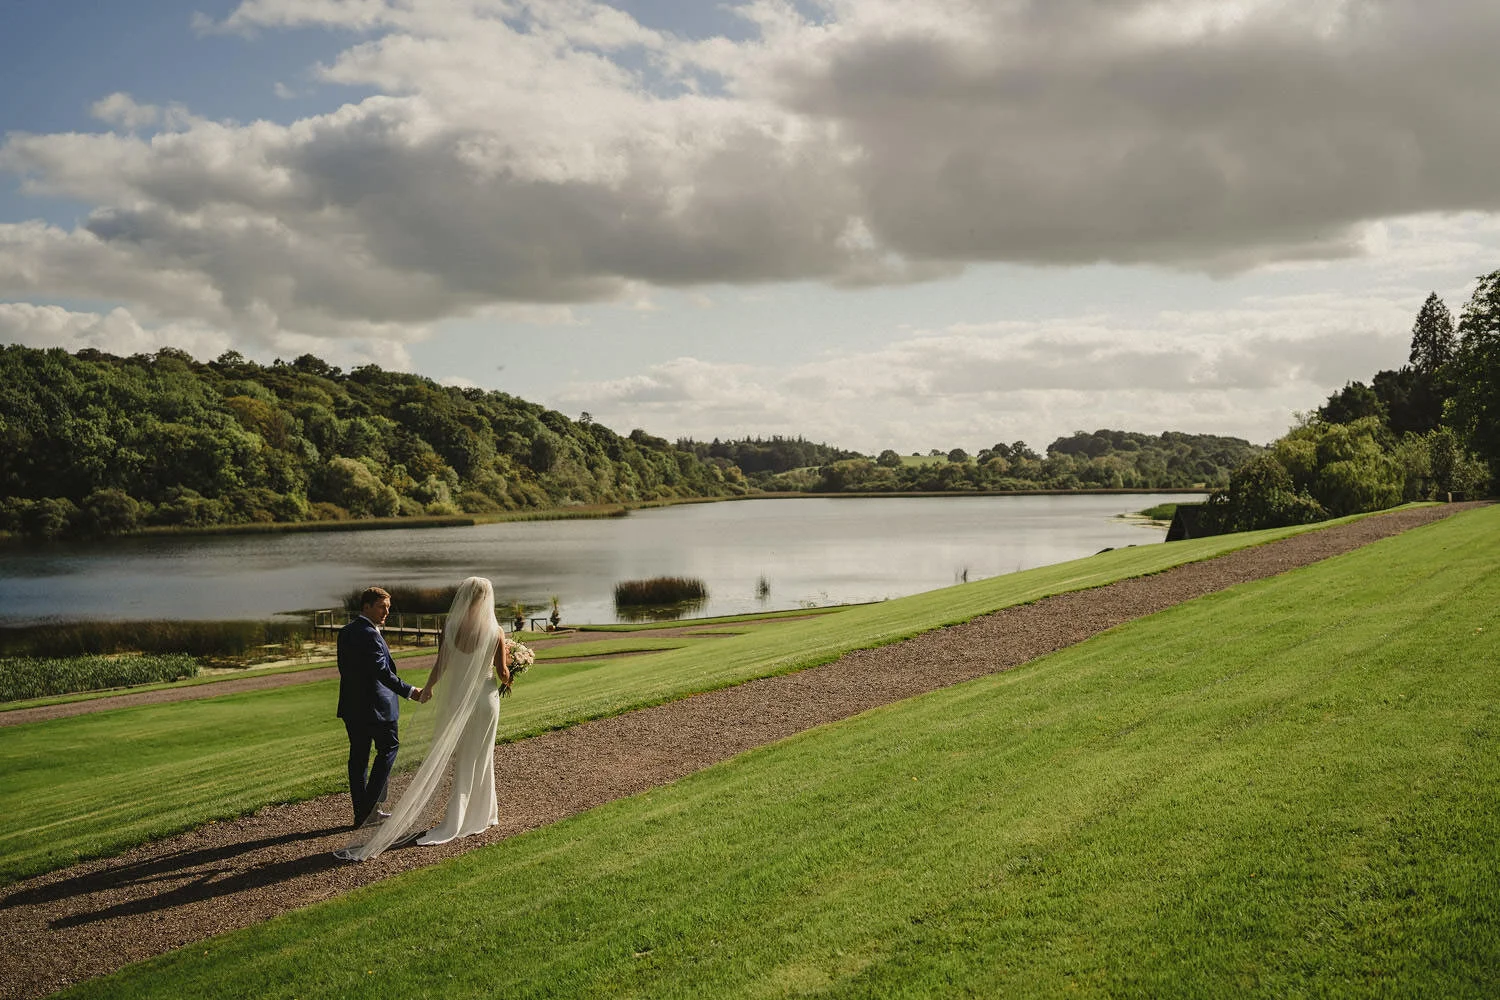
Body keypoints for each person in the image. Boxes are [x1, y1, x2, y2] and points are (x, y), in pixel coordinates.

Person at [335, 576, 509, 861]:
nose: (387, 612)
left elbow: (441, 663)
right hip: (485, 700)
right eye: (382, 607)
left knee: (462, 756)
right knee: (483, 754)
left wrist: (427, 688)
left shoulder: (450, 626)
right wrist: (514, 667)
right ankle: (481, 814)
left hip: (454, 701)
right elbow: (503, 673)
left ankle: (459, 815)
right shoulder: (495, 631)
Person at [336, 586, 425, 829]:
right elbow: (382, 672)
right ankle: (367, 809)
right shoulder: (370, 634)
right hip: (377, 708)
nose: (386, 612)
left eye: (388, 607)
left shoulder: (345, 632)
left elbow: (345, 669)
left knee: (359, 759)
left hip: (352, 707)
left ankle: (364, 811)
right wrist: (410, 691)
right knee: (388, 749)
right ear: (366, 607)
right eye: (381, 607)